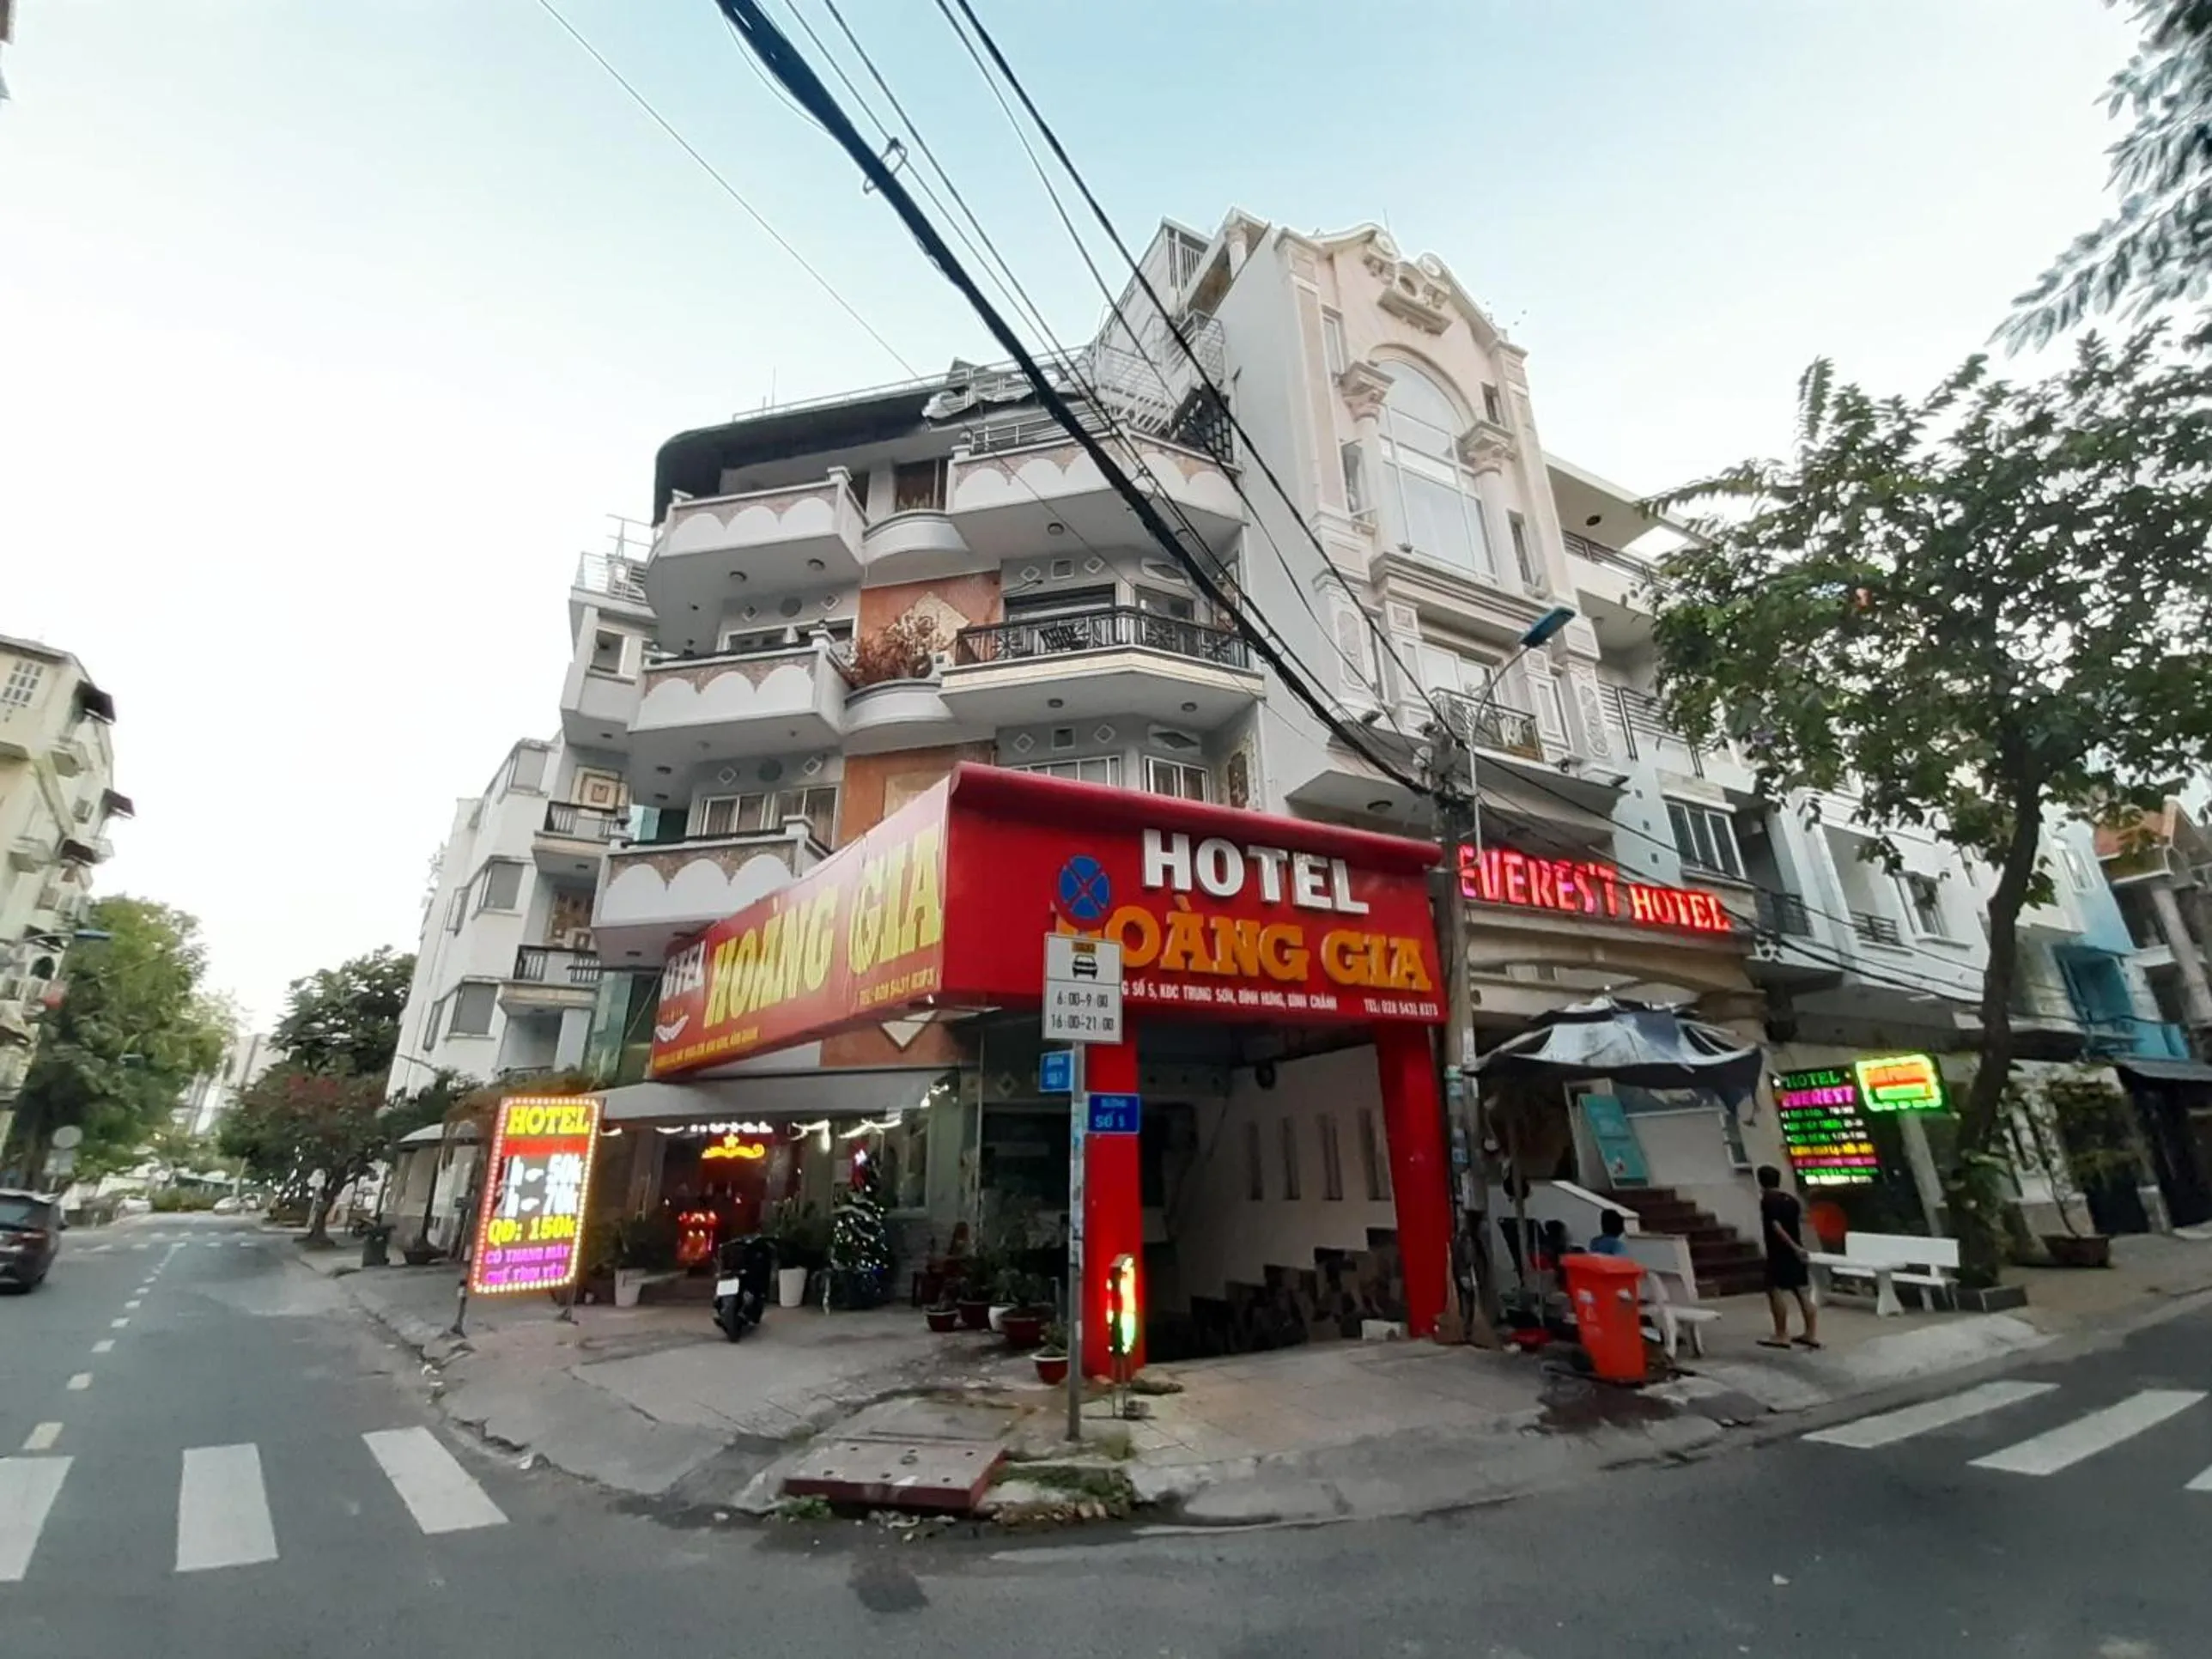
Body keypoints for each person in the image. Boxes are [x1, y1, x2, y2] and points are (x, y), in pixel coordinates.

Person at [1757, 1164, 1820, 1349]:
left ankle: (1781, 1334)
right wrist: (1800, 1247)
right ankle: (1810, 1333)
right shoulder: (1791, 1200)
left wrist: (1792, 1246)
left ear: (1761, 1181)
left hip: (1779, 1251)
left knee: (1774, 1289)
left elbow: (1776, 1226)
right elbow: (1801, 1221)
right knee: (1801, 1291)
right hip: (1796, 1250)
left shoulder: (1768, 1200)